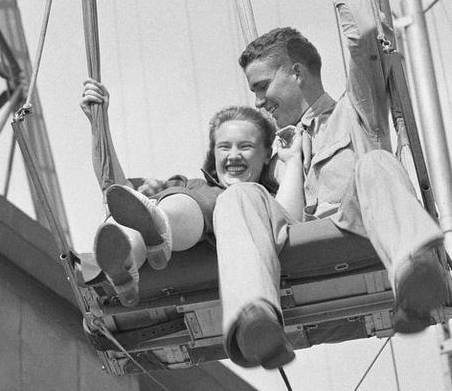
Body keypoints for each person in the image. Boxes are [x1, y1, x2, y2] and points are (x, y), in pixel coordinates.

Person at [211, 0, 452, 368]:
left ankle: (416, 274)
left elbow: (364, 33)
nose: (258, 102)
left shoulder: (354, 111)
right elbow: (272, 219)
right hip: (295, 243)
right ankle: (257, 319)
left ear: (297, 72)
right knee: (238, 197)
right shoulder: (275, 153)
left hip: (358, 225)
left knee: (375, 164)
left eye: (262, 87)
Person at [85, 86, 304, 308]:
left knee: (212, 199)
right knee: (152, 204)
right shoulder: (191, 185)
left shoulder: (263, 198)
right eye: (224, 147)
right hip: (175, 222)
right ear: (214, 152)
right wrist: (98, 124)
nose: (234, 156)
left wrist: (293, 160)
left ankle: (157, 225)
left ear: (267, 154)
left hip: (219, 218)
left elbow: (291, 222)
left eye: (245, 147)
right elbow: (114, 189)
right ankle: (127, 260)